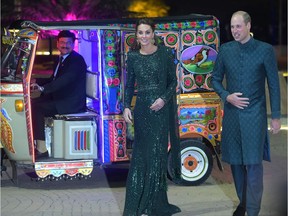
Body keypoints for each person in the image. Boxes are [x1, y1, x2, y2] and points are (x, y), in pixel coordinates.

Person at [211, 11, 281, 216]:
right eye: (232, 27)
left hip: (255, 115)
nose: (234, 31)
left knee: (253, 163)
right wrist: (226, 95)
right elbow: (215, 79)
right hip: (232, 115)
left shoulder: (265, 50)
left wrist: (275, 115)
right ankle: (243, 203)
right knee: (236, 163)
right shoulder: (225, 50)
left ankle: (252, 210)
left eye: (238, 26)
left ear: (249, 26)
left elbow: (274, 85)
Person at [122, 18, 182, 216]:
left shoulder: (165, 53)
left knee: (156, 156)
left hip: (160, 111)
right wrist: (125, 106)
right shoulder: (132, 57)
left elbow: (173, 82)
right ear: (136, 35)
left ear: (153, 34)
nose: (144, 36)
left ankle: (155, 204)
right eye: (140, 33)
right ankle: (137, 204)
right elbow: (129, 84)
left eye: (147, 32)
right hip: (142, 111)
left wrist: (163, 99)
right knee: (140, 156)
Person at [31, 30, 87, 158]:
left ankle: (42, 148)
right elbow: (54, 78)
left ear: (73, 44)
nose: (65, 45)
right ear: (57, 43)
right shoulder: (60, 58)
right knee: (32, 103)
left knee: (37, 108)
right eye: (62, 42)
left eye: (68, 43)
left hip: (70, 102)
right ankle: (37, 142)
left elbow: (64, 80)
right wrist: (36, 81)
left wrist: (43, 89)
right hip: (61, 97)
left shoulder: (76, 60)